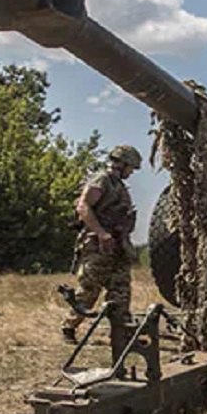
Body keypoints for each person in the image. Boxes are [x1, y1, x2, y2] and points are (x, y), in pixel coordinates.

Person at [62, 145, 142, 367]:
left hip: (118, 247)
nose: (131, 173)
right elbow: (83, 206)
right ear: (122, 163)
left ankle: (120, 334)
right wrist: (101, 234)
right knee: (89, 291)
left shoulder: (119, 186)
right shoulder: (101, 180)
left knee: (121, 291)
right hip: (98, 246)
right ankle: (69, 326)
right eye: (131, 168)